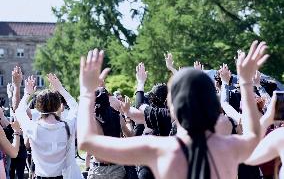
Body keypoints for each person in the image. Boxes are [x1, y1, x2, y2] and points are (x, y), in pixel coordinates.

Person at [77, 40, 268, 179]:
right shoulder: (230, 147)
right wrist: (245, 81)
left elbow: (87, 142)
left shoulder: (157, 149)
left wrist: (86, 92)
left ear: (172, 107)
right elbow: (253, 133)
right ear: (213, 103)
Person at [15, 74, 80, 179]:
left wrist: (27, 94)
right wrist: (60, 89)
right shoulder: (67, 126)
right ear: (59, 106)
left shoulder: (32, 128)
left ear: (38, 107)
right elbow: (75, 107)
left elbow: (19, 111)